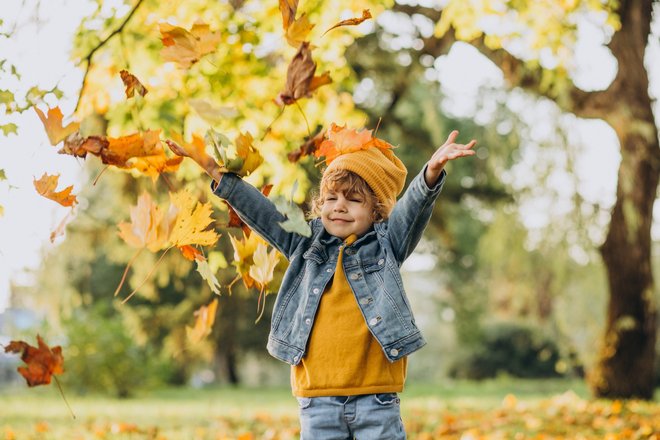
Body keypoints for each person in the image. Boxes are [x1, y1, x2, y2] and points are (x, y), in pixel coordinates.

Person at [167, 127, 475, 439]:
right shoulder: (304, 241)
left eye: (353, 199)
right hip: (317, 401)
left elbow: (412, 211)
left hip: (377, 399)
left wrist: (431, 172)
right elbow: (261, 211)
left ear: (377, 210)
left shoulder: (387, 244)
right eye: (331, 198)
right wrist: (212, 169)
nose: (339, 206)